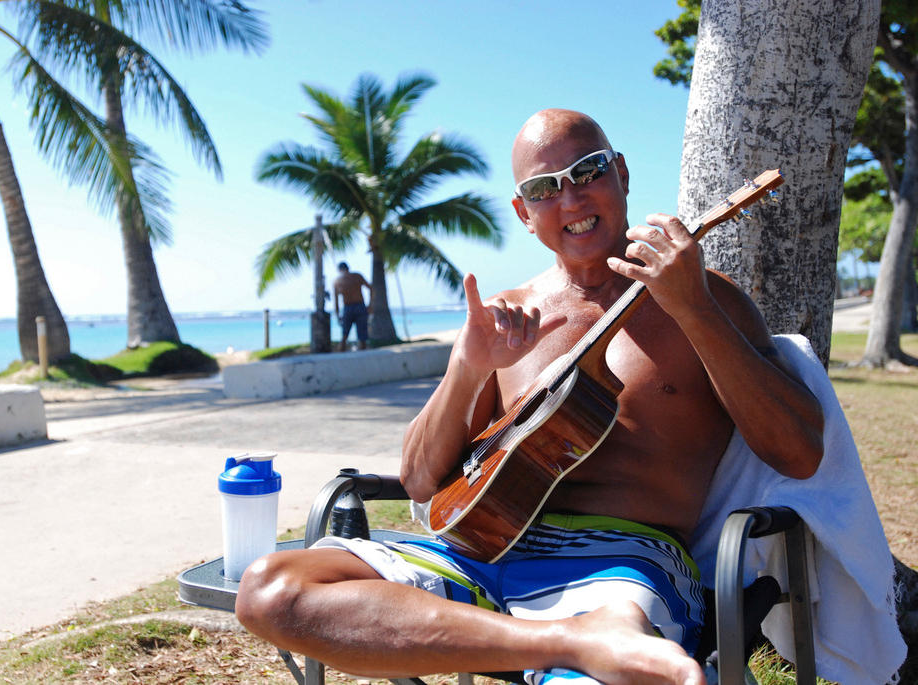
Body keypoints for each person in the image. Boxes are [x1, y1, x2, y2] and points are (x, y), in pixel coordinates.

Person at [236, 109, 824, 684]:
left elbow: (800, 453)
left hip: (624, 561)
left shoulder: (706, 299)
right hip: (481, 552)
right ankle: (569, 641)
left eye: (588, 172)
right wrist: (467, 370)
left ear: (621, 172)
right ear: (523, 212)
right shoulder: (510, 313)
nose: (570, 199)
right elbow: (419, 480)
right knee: (270, 590)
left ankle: (591, 642)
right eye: (544, 188)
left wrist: (693, 308)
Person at [333, 262, 371, 351]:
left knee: (345, 335)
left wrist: (338, 315)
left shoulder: (338, 281)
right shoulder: (356, 276)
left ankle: (343, 354)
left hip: (351, 307)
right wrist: (370, 305)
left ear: (339, 270)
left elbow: (336, 301)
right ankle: (362, 355)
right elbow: (371, 288)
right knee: (361, 337)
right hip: (357, 306)